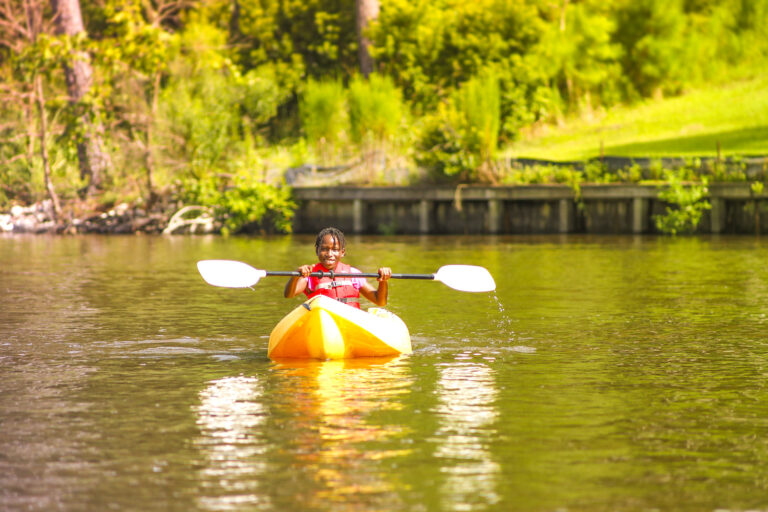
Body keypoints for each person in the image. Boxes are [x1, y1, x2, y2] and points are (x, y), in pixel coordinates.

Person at [284, 227, 391, 308]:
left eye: (335, 249)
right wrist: (296, 275)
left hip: (349, 322)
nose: (329, 254)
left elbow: (380, 301)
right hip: (323, 320)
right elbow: (289, 295)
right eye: (324, 249)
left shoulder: (353, 273)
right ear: (317, 251)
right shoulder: (309, 274)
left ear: (342, 252)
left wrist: (383, 281)